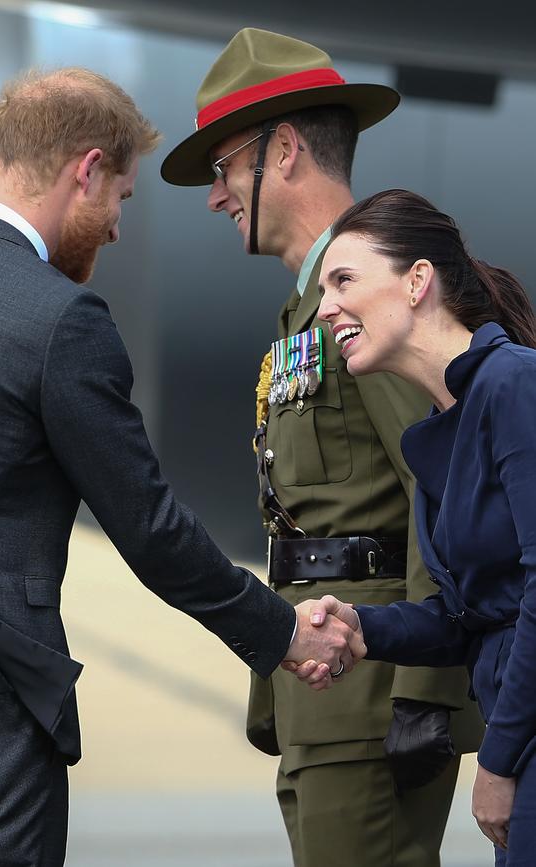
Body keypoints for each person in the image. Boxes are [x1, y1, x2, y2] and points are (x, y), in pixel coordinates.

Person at [0, 67, 364, 867]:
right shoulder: (59, 319)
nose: (114, 228)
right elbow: (148, 527)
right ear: (87, 169)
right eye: (122, 198)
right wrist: (279, 630)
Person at [161, 28, 484, 867]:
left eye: (225, 165)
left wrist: (423, 691)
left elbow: (439, 488)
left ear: (287, 149)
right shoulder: (309, 311)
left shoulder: (364, 298)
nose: (216, 193)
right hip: (327, 695)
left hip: (373, 695)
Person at [307, 187, 536, 865]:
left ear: (417, 281)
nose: (325, 309)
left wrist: (495, 762)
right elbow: (470, 617)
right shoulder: (437, 429)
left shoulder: (514, 387)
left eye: (344, 279)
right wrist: (362, 626)